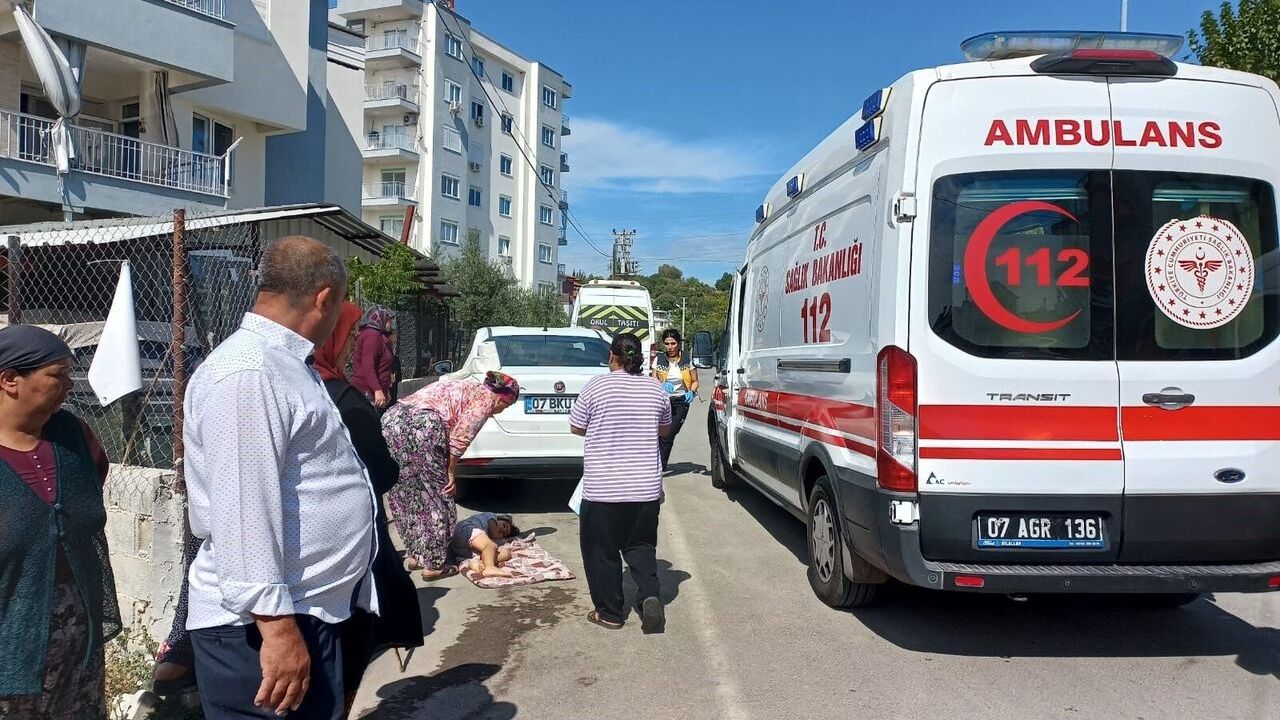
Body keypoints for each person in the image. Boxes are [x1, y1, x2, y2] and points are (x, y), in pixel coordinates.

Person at [183, 236, 380, 720]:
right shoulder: (249, 372)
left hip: (300, 613)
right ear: (325, 298)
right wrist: (277, 630)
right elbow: (244, 509)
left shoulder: (284, 363)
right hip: (261, 628)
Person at [0, 325, 119, 719]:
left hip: (75, 635)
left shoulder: (73, 437)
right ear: (10, 380)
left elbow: (84, 502)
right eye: (58, 375)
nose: (70, 385)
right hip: (10, 637)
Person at [314, 301, 423, 716]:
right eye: (346, 336)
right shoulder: (344, 402)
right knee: (348, 640)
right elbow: (380, 471)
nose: (350, 345)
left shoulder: (294, 386)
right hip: (349, 548)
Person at [570, 332, 672, 633]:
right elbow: (664, 430)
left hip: (603, 489)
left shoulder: (596, 386)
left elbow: (577, 426)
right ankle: (649, 596)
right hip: (645, 489)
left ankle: (610, 613)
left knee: (601, 551)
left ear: (611, 356)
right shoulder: (655, 389)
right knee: (641, 545)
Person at [382, 370, 520, 581]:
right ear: (503, 398)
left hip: (392, 420)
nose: (500, 411)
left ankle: (416, 555)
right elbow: (462, 435)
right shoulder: (486, 398)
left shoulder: (463, 386)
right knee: (440, 496)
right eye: (506, 406)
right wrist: (450, 471)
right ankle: (434, 565)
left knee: (407, 492)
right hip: (422, 425)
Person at [652, 328, 698, 471]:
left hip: (680, 401)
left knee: (669, 433)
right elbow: (653, 380)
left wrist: (691, 391)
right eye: (667, 344)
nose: (670, 347)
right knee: (659, 434)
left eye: (673, 343)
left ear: (678, 343)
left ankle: (660, 466)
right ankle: (658, 464)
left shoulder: (687, 359)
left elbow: (695, 381)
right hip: (663, 401)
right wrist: (661, 385)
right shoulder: (658, 359)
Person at [352, 307, 395, 410]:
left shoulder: (379, 336)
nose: (391, 323)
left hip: (376, 394)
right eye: (389, 319)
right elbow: (368, 366)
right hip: (367, 393)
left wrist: (385, 391)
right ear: (380, 318)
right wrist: (377, 390)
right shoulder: (371, 336)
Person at [451, 512, 520, 578]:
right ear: (499, 519)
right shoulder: (490, 517)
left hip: (464, 552)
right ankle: (489, 567)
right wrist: (501, 540)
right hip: (466, 530)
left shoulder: (486, 538)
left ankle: (477, 563)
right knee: (491, 546)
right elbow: (494, 534)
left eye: (504, 534)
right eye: (504, 525)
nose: (503, 530)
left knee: (506, 554)